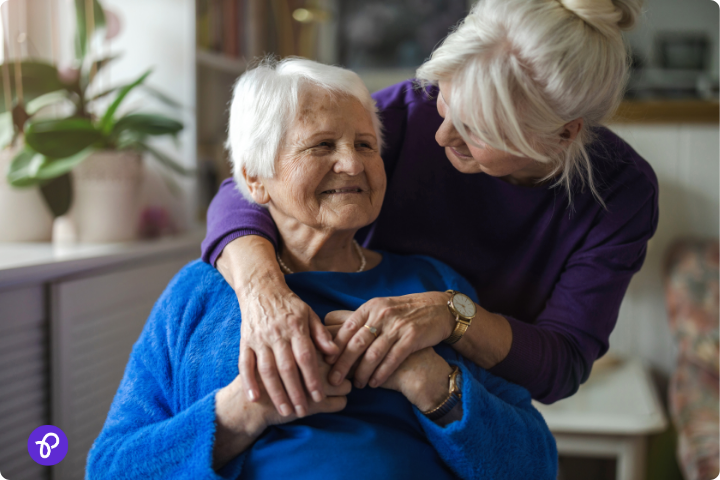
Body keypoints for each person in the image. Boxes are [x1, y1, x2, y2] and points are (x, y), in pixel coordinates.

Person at [86, 58, 557, 479]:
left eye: (366, 145)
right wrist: (245, 410)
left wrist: (427, 379)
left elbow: (535, 464)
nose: (352, 164)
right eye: (321, 145)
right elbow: (110, 469)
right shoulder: (198, 294)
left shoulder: (434, 288)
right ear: (254, 176)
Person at [201, 0, 658, 418]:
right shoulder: (410, 111)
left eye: (476, 130)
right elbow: (246, 187)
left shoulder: (620, 192)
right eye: (445, 101)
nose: (441, 136)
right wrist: (265, 297)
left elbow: (563, 363)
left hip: (469, 398)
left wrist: (454, 315)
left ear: (564, 134)